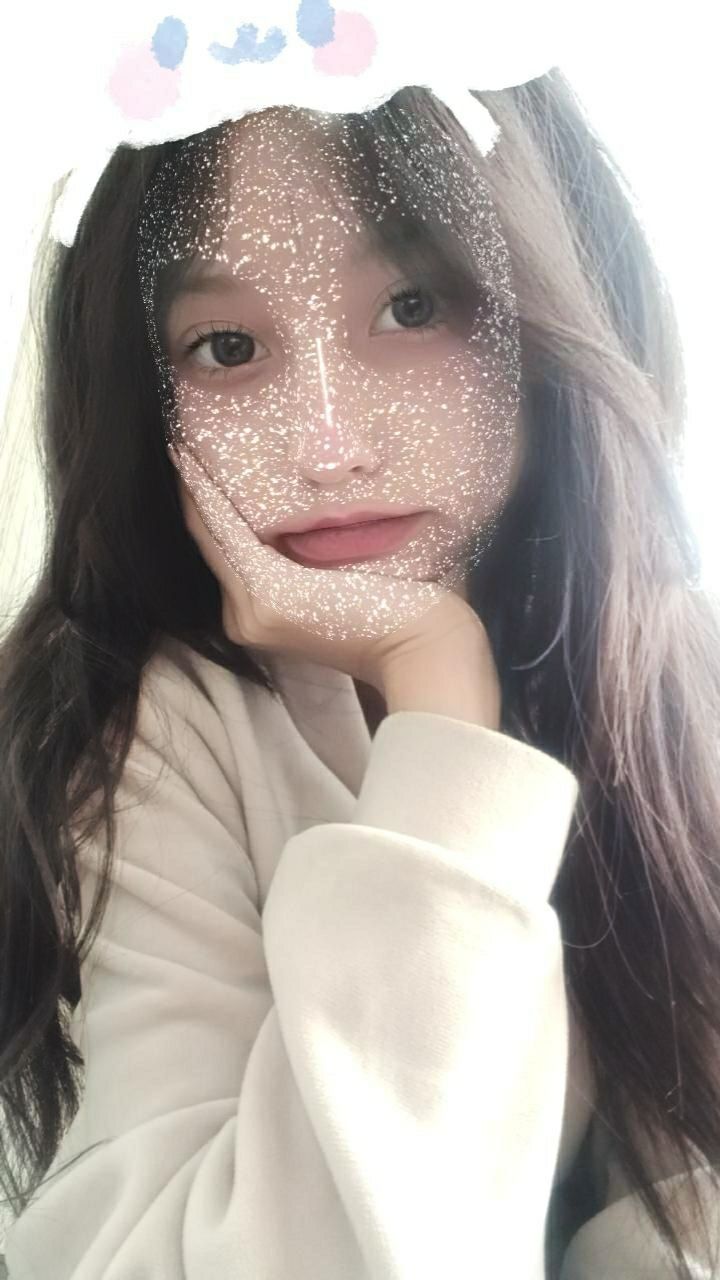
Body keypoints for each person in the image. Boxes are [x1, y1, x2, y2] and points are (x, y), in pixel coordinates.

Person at [0, 71, 719, 1279]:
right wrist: (441, 691)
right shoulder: (154, 727)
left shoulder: (670, 672)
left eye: (412, 306)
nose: (327, 444)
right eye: (228, 346)